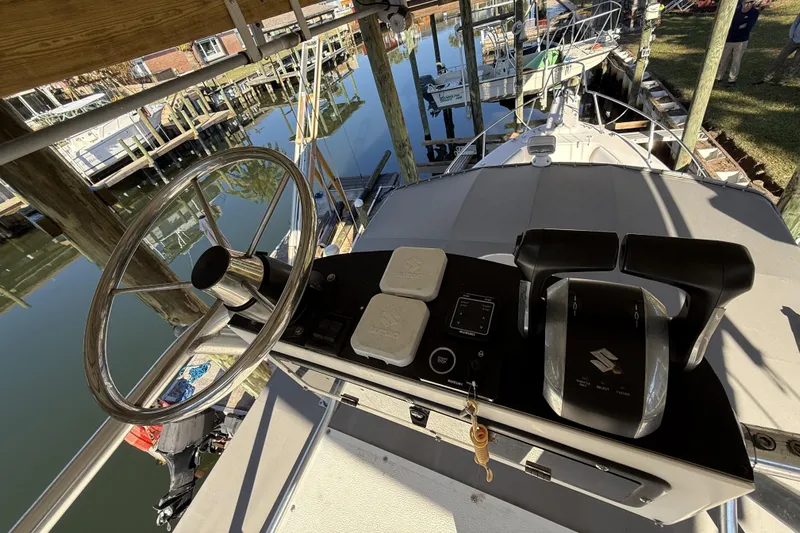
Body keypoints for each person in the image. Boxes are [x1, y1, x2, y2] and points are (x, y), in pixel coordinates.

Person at [716, 0, 760, 87]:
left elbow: (747, 27)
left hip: (741, 40)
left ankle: (732, 79)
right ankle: (718, 77)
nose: (746, 5)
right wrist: (737, 27)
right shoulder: (736, 10)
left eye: (749, 3)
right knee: (724, 58)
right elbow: (729, 23)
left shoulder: (754, 13)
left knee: (736, 60)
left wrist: (735, 27)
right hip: (729, 39)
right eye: (745, 3)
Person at [759, 11, 800, 84]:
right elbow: (795, 22)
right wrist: (791, 35)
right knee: (781, 57)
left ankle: (785, 79)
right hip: (794, 40)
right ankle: (767, 77)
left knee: (796, 62)